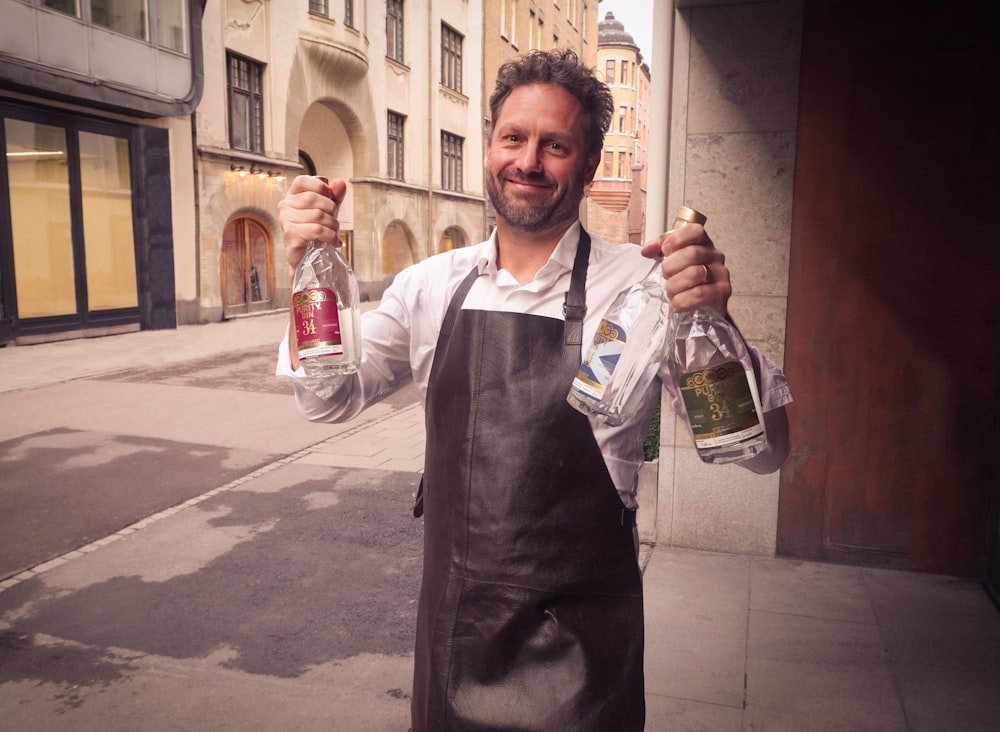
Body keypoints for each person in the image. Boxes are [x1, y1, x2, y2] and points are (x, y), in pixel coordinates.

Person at [277, 49, 792, 732]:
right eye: (513, 138)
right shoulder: (432, 286)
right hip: (455, 641)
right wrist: (309, 273)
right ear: (489, 145)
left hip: (585, 655)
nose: (528, 161)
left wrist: (714, 321)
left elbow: (764, 453)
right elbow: (326, 401)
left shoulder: (639, 290)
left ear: (588, 163)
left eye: (556, 145)